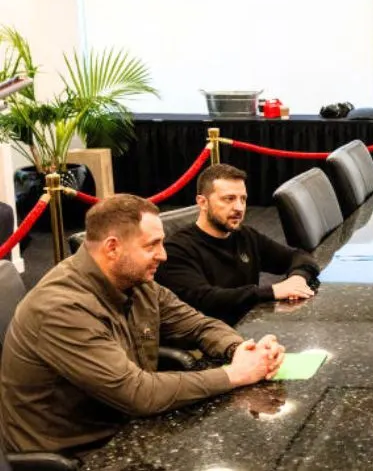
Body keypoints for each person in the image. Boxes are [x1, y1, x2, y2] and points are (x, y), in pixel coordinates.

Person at [0, 195, 284, 454]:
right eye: (152, 245)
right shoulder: (61, 308)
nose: (163, 255)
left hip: (123, 425)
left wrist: (240, 349)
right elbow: (138, 393)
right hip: (77, 452)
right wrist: (234, 374)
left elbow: (197, 324)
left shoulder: (135, 280)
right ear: (113, 248)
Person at [155, 164, 319, 325]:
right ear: (202, 202)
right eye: (229, 199)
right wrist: (273, 291)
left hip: (249, 328)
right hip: (206, 343)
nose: (239, 208)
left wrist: (298, 278)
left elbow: (300, 257)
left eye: (243, 199)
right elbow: (207, 299)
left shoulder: (245, 236)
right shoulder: (176, 250)